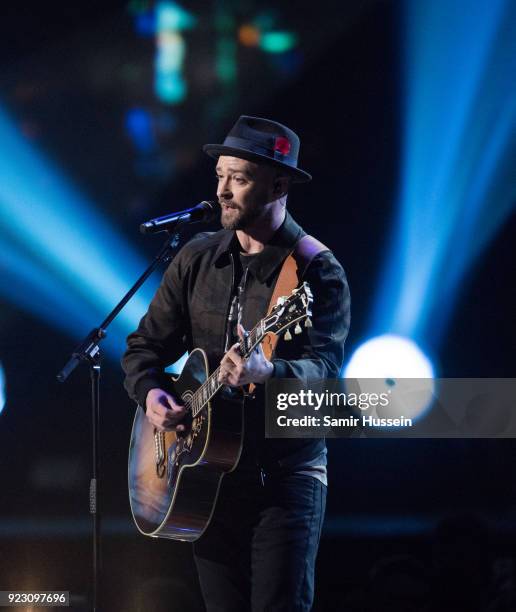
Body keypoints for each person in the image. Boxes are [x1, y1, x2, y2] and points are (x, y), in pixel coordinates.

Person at [122, 115, 351, 611]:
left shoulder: (315, 271)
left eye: (239, 179)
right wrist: (152, 395)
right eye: (220, 175)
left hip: (282, 479)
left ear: (279, 184)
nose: (222, 191)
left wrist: (269, 375)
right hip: (204, 475)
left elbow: (326, 374)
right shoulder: (196, 258)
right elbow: (144, 348)